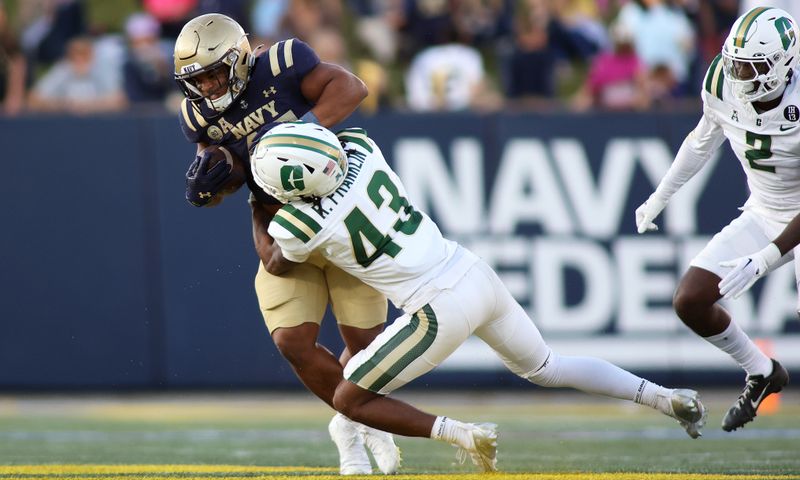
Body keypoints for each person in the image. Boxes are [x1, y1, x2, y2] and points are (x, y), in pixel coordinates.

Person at [249, 121, 707, 472]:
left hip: (435, 310)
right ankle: (664, 398)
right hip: (470, 270)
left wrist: (255, 205)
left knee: (348, 397)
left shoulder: (300, 224)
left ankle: (462, 435)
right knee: (548, 366)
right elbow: (337, 137)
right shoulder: (363, 150)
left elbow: (274, 260)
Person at [172, 13, 400, 475]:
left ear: (238, 58)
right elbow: (227, 168)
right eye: (199, 79)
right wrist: (211, 180)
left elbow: (352, 88)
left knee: (366, 344)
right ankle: (361, 420)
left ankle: (349, 417)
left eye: (216, 72)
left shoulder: (283, 62)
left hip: (340, 209)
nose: (211, 86)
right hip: (281, 218)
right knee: (293, 340)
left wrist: (300, 134)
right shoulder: (197, 113)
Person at [635, 6, 796, 432]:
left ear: (784, 66)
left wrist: (764, 258)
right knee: (690, 299)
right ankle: (762, 371)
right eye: (736, 63)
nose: (740, 75)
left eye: (752, 66)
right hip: (764, 211)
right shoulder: (723, 81)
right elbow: (702, 140)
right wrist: (660, 195)